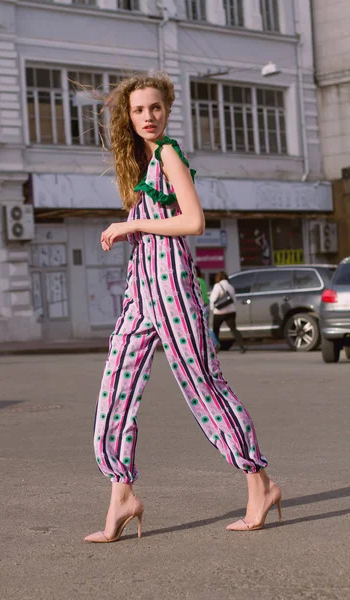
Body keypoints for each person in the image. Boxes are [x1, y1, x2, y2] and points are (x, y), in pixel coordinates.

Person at [85, 73, 281, 543]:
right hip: (140, 294)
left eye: (154, 108)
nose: (147, 117)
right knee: (115, 391)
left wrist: (131, 224)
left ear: (167, 110)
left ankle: (261, 485)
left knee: (203, 389)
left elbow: (193, 221)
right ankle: (121, 496)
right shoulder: (141, 164)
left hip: (173, 288)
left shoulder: (169, 154)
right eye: (137, 111)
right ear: (127, 118)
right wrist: (133, 224)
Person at [209, 271, 247, 354]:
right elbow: (234, 300)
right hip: (231, 311)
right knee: (233, 329)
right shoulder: (231, 286)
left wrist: (212, 309)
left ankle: (216, 347)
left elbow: (212, 299)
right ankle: (242, 346)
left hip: (219, 312)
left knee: (215, 329)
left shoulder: (217, 286)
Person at [195, 265, 219, 348]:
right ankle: (209, 344)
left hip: (201, 307)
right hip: (206, 305)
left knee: (203, 327)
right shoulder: (202, 281)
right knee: (206, 327)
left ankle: (215, 343)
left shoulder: (195, 281)